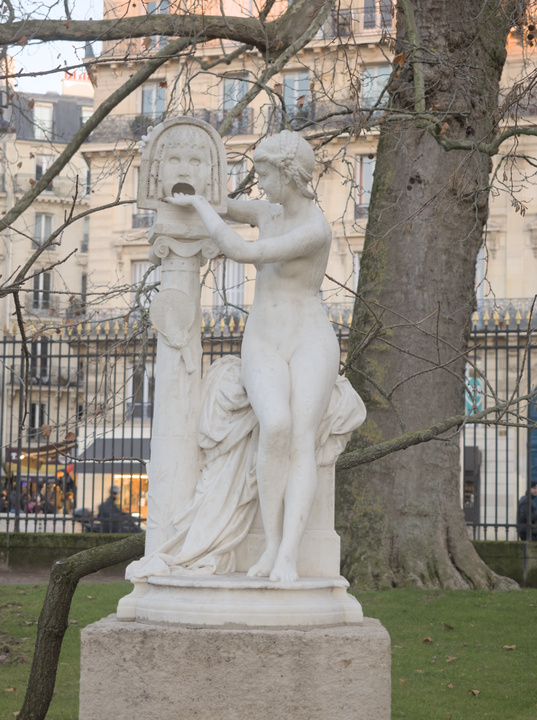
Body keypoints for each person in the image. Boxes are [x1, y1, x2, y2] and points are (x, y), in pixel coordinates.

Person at [167, 130, 340, 582]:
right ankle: (270, 545)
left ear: (288, 174)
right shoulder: (269, 211)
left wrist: (201, 206)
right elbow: (226, 204)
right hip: (263, 338)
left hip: (309, 337)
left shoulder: (313, 228)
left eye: (264, 173)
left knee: (301, 435)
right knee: (276, 426)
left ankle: (286, 553)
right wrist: (193, 187)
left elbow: (242, 250)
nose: (258, 182)